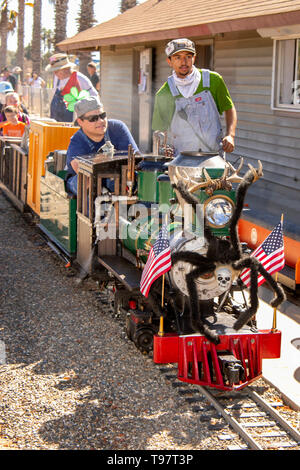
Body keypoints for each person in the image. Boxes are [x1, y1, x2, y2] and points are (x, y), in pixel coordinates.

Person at [152, 38, 237, 155]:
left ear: (194, 58)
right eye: (177, 57)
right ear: (169, 61)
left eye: (188, 56)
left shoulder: (213, 80)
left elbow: (229, 108)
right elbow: (160, 131)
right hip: (181, 161)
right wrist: (163, 150)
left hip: (214, 157)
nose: (184, 62)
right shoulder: (164, 94)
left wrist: (230, 135)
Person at [65, 96, 139, 196]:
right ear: (80, 122)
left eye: (103, 115)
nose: (100, 121)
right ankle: (93, 210)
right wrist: (98, 161)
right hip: (90, 183)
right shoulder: (77, 141)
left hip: (117, 178)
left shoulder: (118, 128)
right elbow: (81, 170)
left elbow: (136, 159)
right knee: (85, 180)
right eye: (93, 118)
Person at [45, 53, 98, 123]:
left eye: (57, 71)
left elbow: (95, 99)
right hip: (56, 121)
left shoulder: (80, 79)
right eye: (54, 71)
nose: (55, 73)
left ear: (66, 68)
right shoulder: (56, 79)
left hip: (73, 122)